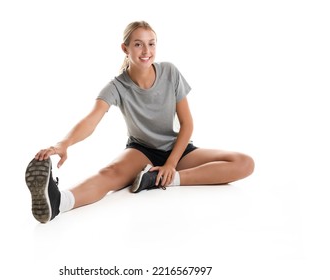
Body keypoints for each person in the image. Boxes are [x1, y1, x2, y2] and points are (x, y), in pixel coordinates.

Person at [25, 21, 255, 223]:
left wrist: (171, 165)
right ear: (125, 49)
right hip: (141, 151)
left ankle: (163, 179)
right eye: (138, 44)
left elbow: (187, 124)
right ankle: (58, 202)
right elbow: (91, 119)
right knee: (110, 173)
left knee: (244, 163)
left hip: (178, 150)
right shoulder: (117, 86)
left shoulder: (170, 72)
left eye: (151, 43)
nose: (146, 50)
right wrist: (64, 144)